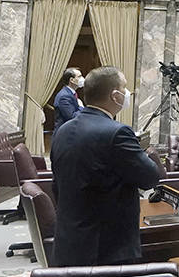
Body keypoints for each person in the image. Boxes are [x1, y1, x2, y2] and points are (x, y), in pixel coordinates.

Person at [50, 66, 162, 266]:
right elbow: (150, 177)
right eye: (124, 88)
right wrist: (150, 154)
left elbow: (57, 184)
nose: (127, 94)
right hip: (107, 247)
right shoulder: (117, 133)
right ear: (115, 96)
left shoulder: (63, 130)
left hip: (69, 238)